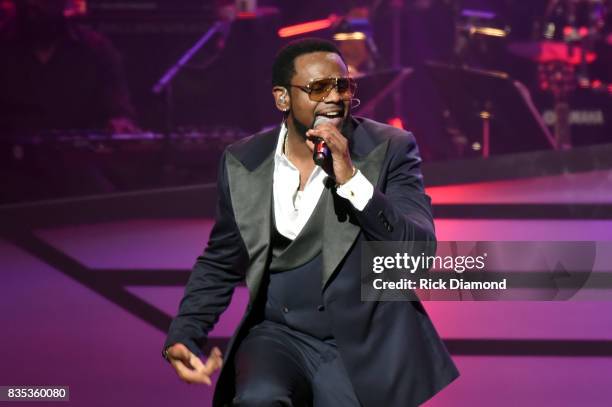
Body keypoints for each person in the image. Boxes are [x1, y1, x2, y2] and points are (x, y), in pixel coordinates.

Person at [163, 38, 459, 407]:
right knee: (257, 399)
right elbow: (222, 260)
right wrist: (185, 334)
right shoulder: (244, 162)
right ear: (282, 98)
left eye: (343, 85)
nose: (335, 97)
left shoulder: (389, 148)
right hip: (277, 335)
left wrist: (352, 180)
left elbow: (417, 254)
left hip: (357, 343)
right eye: (318, 88)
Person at [0, 0, 137, 133]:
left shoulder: (96, 50)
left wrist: (121, 125)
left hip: (80, 155)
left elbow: (118, 110)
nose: (32, 3)